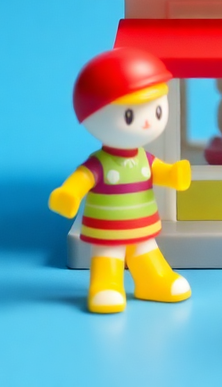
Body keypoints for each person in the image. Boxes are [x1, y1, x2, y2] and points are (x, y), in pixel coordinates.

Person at [49, 47, 192, 314]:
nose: (147, 123)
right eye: (129, 115)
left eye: (157, 111)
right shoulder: (100, 163)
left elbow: (159, 170)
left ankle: (153, 281)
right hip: (107, 228)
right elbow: (82, 179)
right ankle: (106, 286)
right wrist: (69, 194)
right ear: (92, 115)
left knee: (146, 250)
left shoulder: (144, 159)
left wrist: (173, 175)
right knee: (108, 255)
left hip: (141, 223)